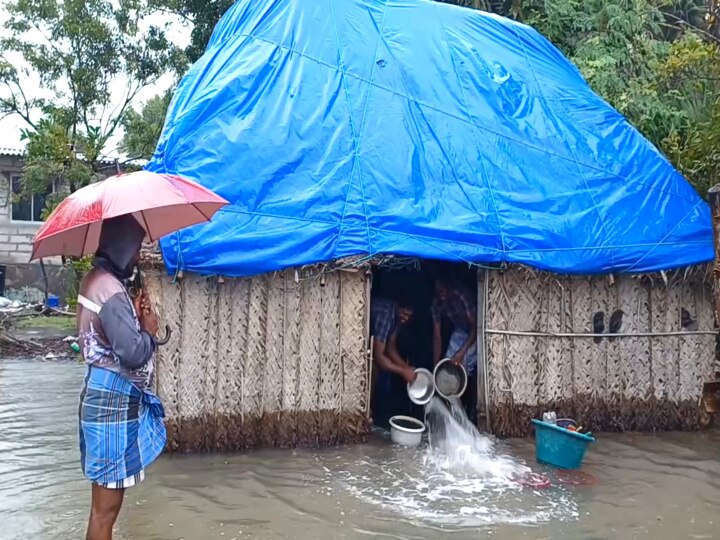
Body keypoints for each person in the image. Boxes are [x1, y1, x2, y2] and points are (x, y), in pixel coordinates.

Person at [76, 214, 167, 540]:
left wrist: (130, 312)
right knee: (105, 513)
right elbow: (133, 353)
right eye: (135, 247)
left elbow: (106, 334)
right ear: (122, 246)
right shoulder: (112, 291)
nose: (138, 255)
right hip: (113, 406)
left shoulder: (95, 280)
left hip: (99, 395)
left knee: (101, 510)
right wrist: (149, 332)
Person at [431, 277, 477, 417]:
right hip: (461, 329)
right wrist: (435, 366)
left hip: (477, 330)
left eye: (443, 291)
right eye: (438, 292)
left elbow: (476, 327)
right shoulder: (435, 305)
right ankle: (451, 409)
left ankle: (472, 409)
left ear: (449, 287)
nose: (441, 295)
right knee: (450, 362)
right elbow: (437, 337)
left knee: (468, 367)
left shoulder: (461, 295)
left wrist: (462, 352)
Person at [371, 295, 417, 384]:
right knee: (382, 378)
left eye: (409, 316)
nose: (406, 318)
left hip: (378, 349)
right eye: (404, 314)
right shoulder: (385, 315)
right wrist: (402, 371)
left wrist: (406, 367)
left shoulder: (398, 317)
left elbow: (390, 348)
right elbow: (378, 356)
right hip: (365, 347)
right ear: (398, 307)